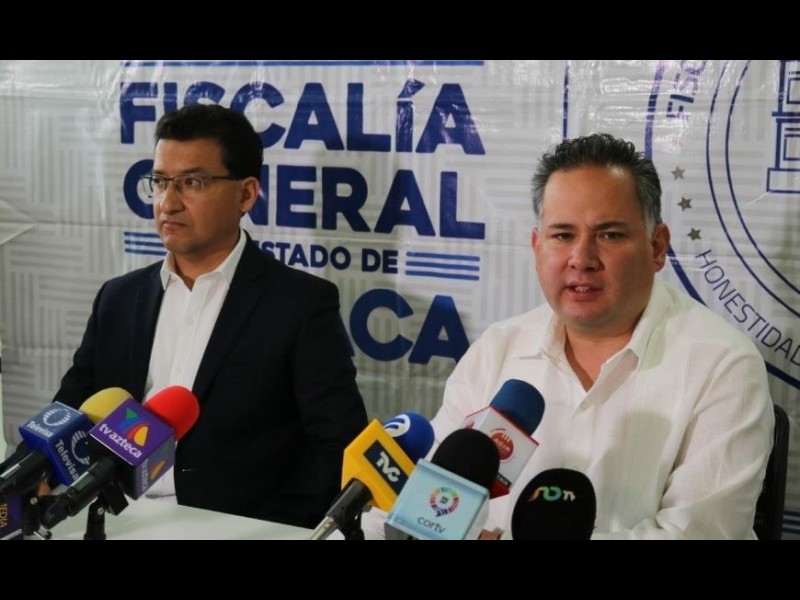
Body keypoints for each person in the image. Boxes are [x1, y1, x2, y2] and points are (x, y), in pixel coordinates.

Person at [364, 132, 774, 540]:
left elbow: (698, 534)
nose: (582, 259)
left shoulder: (722, 363)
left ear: (657, 247)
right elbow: (420, 505)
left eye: (610, 235)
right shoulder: (498, 348)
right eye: (562, 235)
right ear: (536, 246)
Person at [51, 104, 368, 529]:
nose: (168, 202)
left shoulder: (300, 305)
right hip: (114, 517)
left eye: (193, 183)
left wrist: (262, 533)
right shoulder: (119, 298)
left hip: (240, 528)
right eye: (159, 181)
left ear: (246, 194)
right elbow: (67, 415)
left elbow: (336, 445)